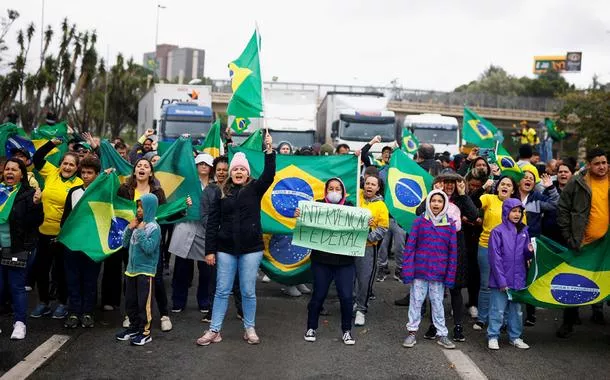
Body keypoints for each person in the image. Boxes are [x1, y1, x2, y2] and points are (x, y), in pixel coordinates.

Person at [197, 133, 275, 346]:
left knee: (248, 290)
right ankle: (214, 330)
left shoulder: (255, 188)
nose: (238, 172)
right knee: (222, 290)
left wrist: (269, 150)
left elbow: (269, 175)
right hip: (225, 248)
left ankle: (249, 328)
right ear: (230, 173)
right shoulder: (220, 193)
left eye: (242, 169)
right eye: (235, 169)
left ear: (247, 173)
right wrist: (209, 250)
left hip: (251, 249)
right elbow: (212, 223)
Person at [104, 158, 172, 332]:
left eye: (146, 166)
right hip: (131, 240)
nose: (142, 168)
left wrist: (182, 208)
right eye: (139, 166)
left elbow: (165, 214)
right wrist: (106, 178)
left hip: (150, 241)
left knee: (154, 279)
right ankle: (131, 314)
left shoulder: (158, 192)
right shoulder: (124, 189)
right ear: (134, 171)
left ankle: (164, 314)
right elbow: (113, 206)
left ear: (151, 172)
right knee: (131, 276)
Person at [417, 173, 478, 342]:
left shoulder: (461, 200)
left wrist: (464, 194)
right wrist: (432, 194)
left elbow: (473, 215)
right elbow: (418, 212)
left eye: (453, 182)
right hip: (435, 248)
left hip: (455, 247)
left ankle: (458, 326)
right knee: (435, 289)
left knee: (455, 289)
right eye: (446, 182)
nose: (449, 185)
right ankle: (434, 325)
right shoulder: (434, 198)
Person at [298, 178, 357, 345]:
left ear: (343, 192)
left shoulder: (351, 208)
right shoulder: (316, 206)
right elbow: (306, 226)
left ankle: (347, 331)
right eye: (331, 188)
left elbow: (358, 230)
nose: (334, 191)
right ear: (325, 191)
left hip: (345, 262)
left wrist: (365, 223)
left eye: (338, 188)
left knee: (346, 297)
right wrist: (300, 216)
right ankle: (311, 327)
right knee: (318, 295)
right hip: (321, 261)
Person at [557, 148, 609, 336]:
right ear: (588, 165)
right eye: (597, 163)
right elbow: (563, 208)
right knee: (575, 283)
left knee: (605, 280)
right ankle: (568, 322)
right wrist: (569, 237)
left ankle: (598, 313)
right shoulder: (578, 182)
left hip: (607, 246)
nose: (602, 166)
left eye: (604, 162)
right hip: (582, 244)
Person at [31, 139, 83, 319]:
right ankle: (43, 302)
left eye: (71, 165)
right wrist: (51, 143)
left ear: (77, 168)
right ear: (60, 164)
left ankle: (62, 303)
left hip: (63, 235)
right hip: (42, 232)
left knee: (61, 272)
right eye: (65, 163)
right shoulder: (51, 173)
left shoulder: (78, 184)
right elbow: (36, 157)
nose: (67, 167)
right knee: (41, 270)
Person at [401, 190, 457, 349]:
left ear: (444, 203)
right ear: (428, 203)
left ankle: (442, 334)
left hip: (438, 273)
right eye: (433, 201)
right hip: (420, 271)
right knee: (416, 301)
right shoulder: (419, 222)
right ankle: (412, 332)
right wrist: (408, 270)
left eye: (440, 201)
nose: (436, 204)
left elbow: (453, 252)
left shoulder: (450, 224)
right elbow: (410, 247)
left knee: (438, 303)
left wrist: (450, 275)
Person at [0, 158, 43, 340]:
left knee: (16, 286)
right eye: (7, 169)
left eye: (14, 169)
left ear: (21, 174)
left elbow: (36, 222)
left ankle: (20, 323)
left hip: (18, 248)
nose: (9, 172)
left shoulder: (28, 193)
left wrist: (35, 205)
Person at [472, 175, 521, 331]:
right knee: (486, 285)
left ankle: (504, 321)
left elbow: (522, 230)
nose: (505, 186)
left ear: (513, 190)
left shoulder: (517, 206)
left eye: (508, 184)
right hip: (486, 246)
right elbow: (472, 202)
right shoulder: (488, 198)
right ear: (498, 187)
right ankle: (482, 319)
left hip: (509, 252)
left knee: (505, 285)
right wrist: (482, 187)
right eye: (502, 184)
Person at [61, 156, 103, 329]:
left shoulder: (102, 193)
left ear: (97, 174)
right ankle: (73, 312)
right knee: (72, 279)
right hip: (72, 244)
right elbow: (66, 218)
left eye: (90, 173)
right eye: (83, 172)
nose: (86, 176)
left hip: (92, 245)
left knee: (90, 279)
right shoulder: (74, 191)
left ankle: (87, 312)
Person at [169, 154, 213, 314]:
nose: (203, 166)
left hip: (206, 232)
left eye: (206, 164)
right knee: (181, 269)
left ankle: (204, 301)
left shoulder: (214, 186)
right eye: (199, 164)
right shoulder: (185, 184)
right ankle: (178, 301)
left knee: (206, 271)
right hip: (186, 229)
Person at [115, 194, 161, 346]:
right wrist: (130, 228)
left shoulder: (154, 227)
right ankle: (134, 328)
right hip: (131, 270)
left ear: (150, 208)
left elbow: (149, 248)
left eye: (142, 207)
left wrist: (140, 232)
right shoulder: (137, 225)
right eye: (138, 207)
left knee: (144, 304)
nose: (139, 210)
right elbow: (125, 244)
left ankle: (145, 332)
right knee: (131, 302)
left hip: (145, 272)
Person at [487, 198, 533, 350]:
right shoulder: (497, 231)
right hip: (501, 280)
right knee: (497, 310)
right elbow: (495, 258)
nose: (517, 214)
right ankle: (493, 335)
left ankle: (515, 337)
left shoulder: (524, 231)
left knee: (517, 311)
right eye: (514, 211)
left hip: (518, 279)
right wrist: (501, 281)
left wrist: (529, 251)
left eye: (519, 211)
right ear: (506, 211)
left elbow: (526, 256)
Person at [201, 156, 243, 323]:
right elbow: (204, 216)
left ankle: (242, 310)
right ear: (214, 171)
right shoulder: (209, 191)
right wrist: (218, 230)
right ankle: (212, 312)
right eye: (219, 170)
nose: (221, 173)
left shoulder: (238, 189)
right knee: (215, 279)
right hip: (216, 241)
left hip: (236, 241)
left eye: (225, 170)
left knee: (238, 279)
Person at [517, 165, 559, 326]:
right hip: (511, 243)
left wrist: (550, 188)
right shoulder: (511, 196)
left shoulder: (536, 198)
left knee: (529, 277)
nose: (528, 180)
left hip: (530, 244)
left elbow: (555, 204)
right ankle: (508, 313)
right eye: (525, 177)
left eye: (531, 178)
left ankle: (530, 313)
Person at [354, 173, 389, 327]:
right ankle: (352, 302)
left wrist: (367, 237)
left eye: (373, 184)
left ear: (378, 188)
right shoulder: (356, 196)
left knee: (364, 279)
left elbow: (383, 228)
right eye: (367, 183)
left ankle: (361, 309)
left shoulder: (381, 206)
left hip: (367, 248)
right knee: (349, 278)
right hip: (349, 246)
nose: (369, 186)